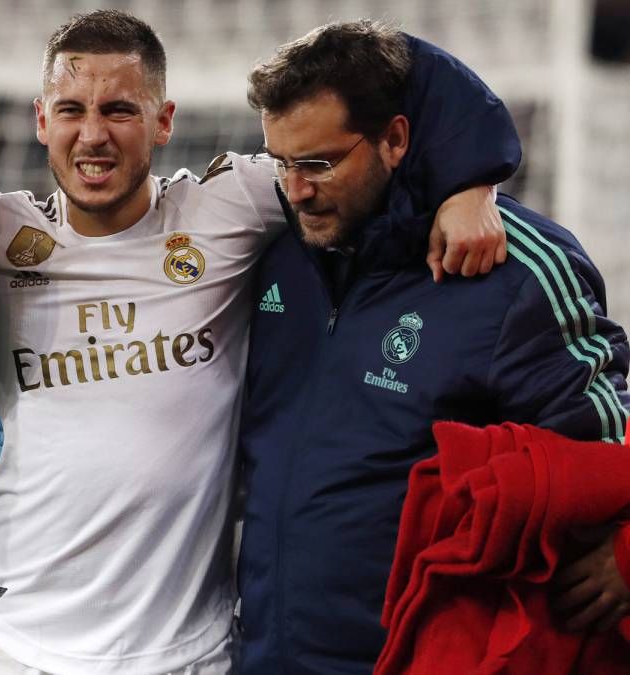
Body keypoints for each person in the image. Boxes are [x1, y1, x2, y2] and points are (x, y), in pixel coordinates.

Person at [0, 10, 514, 674]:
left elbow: (385, 93)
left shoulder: (231, 206)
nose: (93, 135)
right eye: (71, 110)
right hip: (22, 645)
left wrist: (472, 185)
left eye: (120, 110)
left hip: (187, 653)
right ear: (41, 120)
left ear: (164, 121)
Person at [236, 20, 630, 674]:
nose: (295, 188)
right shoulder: (273, 250)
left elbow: (614, 449)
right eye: (280, 161)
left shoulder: (516, 272)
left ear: (395, 139)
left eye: (318, 164)